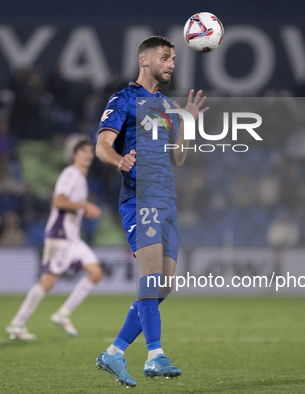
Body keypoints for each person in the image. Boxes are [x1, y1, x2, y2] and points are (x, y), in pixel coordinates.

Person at [94, 36, 207, 387]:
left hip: (167, 199)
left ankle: (114, 352)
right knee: (152, 275)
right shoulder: (124, 99)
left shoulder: (167, 106)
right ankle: (155, 355)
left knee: (166, 286)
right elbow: (101, 145)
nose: (172, 63)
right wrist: (119, 160)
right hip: (139, 197)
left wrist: (185, 123)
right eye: (165, 57)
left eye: (173, 58)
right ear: (145, 61)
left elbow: (179, 157)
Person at [6, 137, 102, 339]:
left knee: (95, 273)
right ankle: (17, 324)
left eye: (90, 151)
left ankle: (63, 313)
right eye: (83, 151)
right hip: (59, 236)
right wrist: (85, 206)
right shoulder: (71, 174)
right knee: (48, 282)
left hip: (73, 238)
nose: (88, 155)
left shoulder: (81, 179)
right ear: (75, 155)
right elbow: (58, 201)